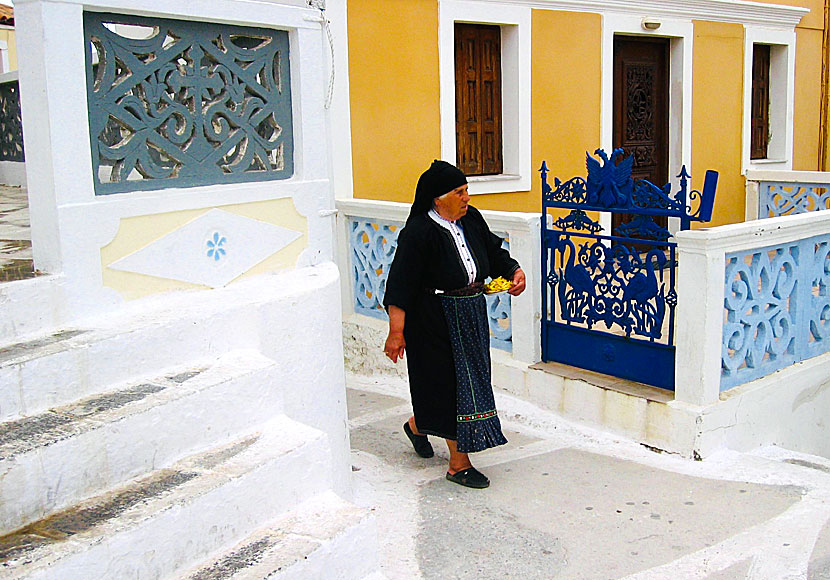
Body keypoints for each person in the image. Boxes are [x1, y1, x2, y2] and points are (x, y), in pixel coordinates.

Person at [382, 160, 526, 489]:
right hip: (433, 319)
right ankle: (458, 464)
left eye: (466, 191)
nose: (466, 198)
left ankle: (418, 425)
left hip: (471, 315)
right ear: (437, 198)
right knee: (449, 385)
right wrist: (396, 332)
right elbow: (400, 285)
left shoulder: (470, 220)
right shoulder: (418, 232)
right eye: (459, 193)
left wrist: (514, 270)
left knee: (469, 382)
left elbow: (493, 252)